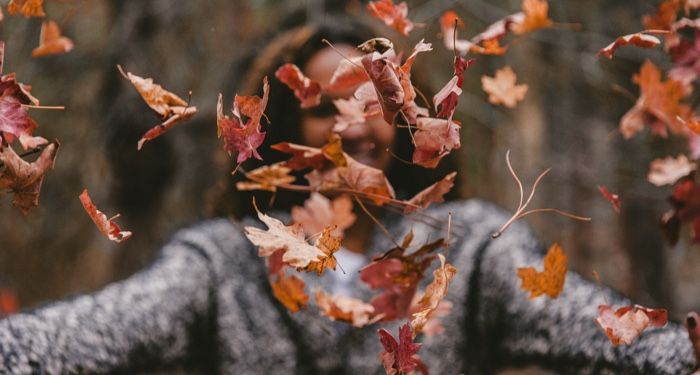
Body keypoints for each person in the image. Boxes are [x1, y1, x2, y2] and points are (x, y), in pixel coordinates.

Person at [0, 15, 697, 375]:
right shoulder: (223, 263)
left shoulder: (467, 247)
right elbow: (88, 332)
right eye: (323, 108)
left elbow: (606, 329)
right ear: (281, 132)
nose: (351, 124)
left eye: (372, 101)